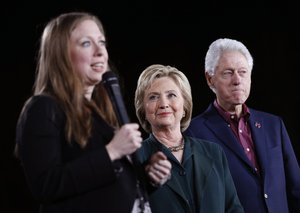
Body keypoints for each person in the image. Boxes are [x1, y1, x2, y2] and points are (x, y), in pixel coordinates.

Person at [14, 12, 171, 213]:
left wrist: (148, 175)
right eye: (86, 43)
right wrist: (112, 151)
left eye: (102, 42)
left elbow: (104, 186)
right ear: (60, 54)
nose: (100, 52)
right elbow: (46, 185)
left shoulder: (100, 114)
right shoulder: (43, 108)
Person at [184, 38, 300, 213]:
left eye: (243, 72)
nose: (237, 80)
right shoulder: (193, 132)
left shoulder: (273, 125)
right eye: (228, 73)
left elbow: (295, 188)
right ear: (210, 79)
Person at [134, 64, 244, 213]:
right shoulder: (134, 158)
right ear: (143, 110)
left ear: (185, 105)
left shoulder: (214, 152)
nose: (163, 104)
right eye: (153, 97)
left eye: (171, 95)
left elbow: (233, 209)